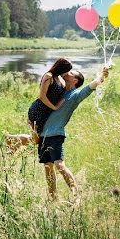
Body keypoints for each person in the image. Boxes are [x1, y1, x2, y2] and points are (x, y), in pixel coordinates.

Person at [38, 65, 109, 201]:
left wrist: (103, 75)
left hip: (56, 134)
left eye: (70, 73)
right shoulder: (59, 91)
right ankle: (53, 199)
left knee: (59, 165)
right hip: (44, 135)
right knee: (48, 168)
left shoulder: (76, 95)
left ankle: (76, 197)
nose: (67, 73)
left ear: (75, 80)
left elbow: (93, 85)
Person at [26, 58, 72, 143]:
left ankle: (12, 139)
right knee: (36, 140)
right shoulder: (49, 76)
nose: (66, 73)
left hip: (47, 112)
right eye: (66, 71)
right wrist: (54, 107)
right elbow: (42, 96)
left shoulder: (59, 79)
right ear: (61, 68)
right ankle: (12, 138)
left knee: (39, 138)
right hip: (39, 110)